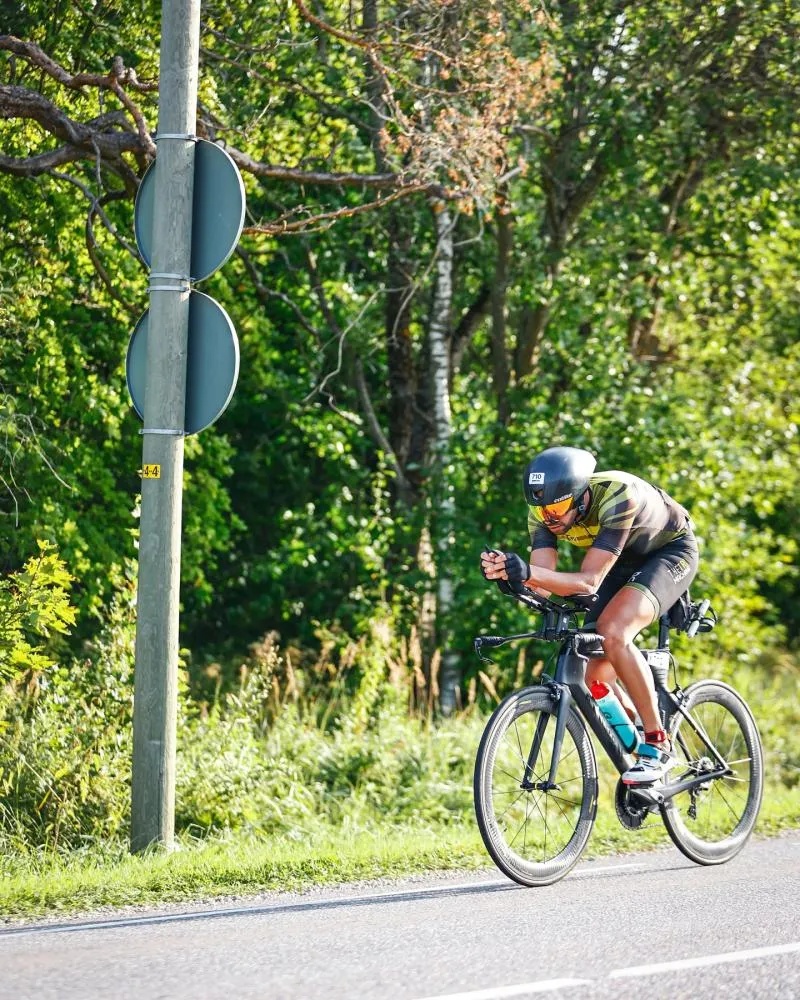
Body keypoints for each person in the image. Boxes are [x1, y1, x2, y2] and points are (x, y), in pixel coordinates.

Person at [480, 445, 698, 784]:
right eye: (541, 508)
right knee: (595, 676)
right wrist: (509, 578)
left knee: (614, 632)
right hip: (618, 561)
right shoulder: (543, 512)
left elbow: (589, 581)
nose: (549, 517)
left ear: (581, 496)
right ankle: (640, 748)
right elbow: (541, 585)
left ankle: (659, 744)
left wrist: (528, 573)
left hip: (668, 553)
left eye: (557, 507)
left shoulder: (617, 495)